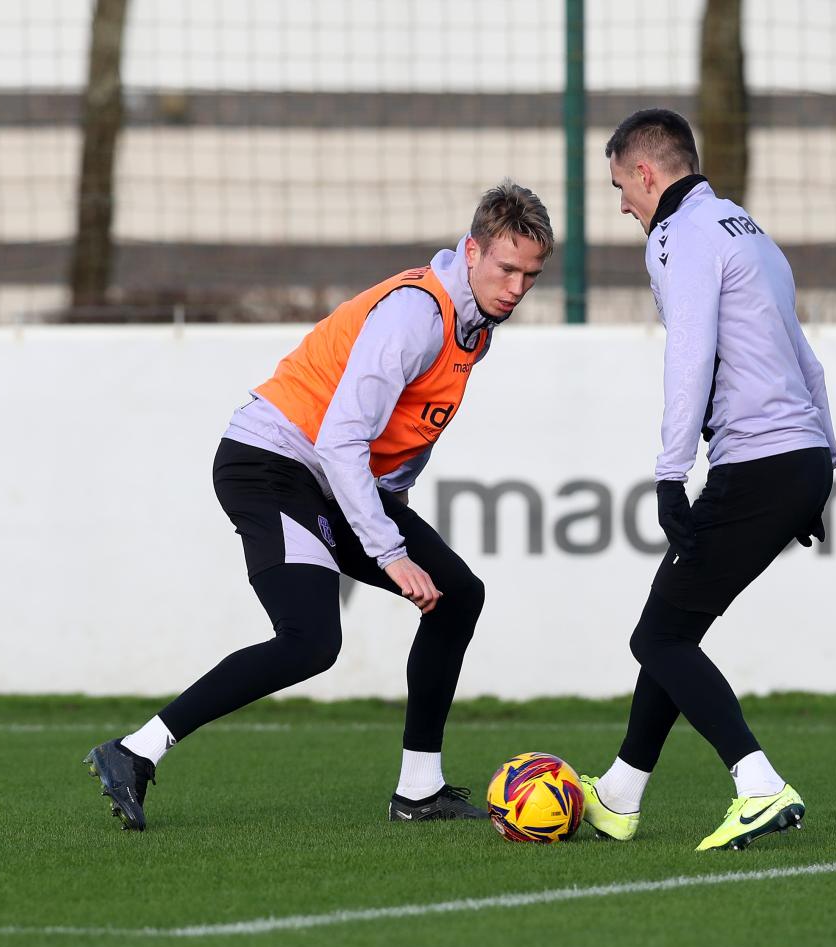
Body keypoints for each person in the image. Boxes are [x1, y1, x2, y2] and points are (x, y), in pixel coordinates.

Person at [84, 180, 553, 831]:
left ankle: (419, 790)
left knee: (457, 595)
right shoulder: (416, 314)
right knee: (309, 640)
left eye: (530, 275)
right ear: (471, 251)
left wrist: (393, 514)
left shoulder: (475, 323)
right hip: (270, 466)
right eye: (506, 268)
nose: (516, 288)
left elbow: (408, 427)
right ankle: (133, 751)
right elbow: (340, 437)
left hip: (334, 477)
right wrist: (389, 551)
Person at [580, 109, 836, 851]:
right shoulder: (748, 231)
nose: (622, 204)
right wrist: (825, 467)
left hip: (756, 462)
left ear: (647, 173)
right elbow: (806, 360)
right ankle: (621, 794)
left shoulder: (677, 236)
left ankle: (757, 783)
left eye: (620, 186)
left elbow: (688, 355)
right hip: (798, 459)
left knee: (658, 636)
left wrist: (669, 476)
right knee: (674, 627)